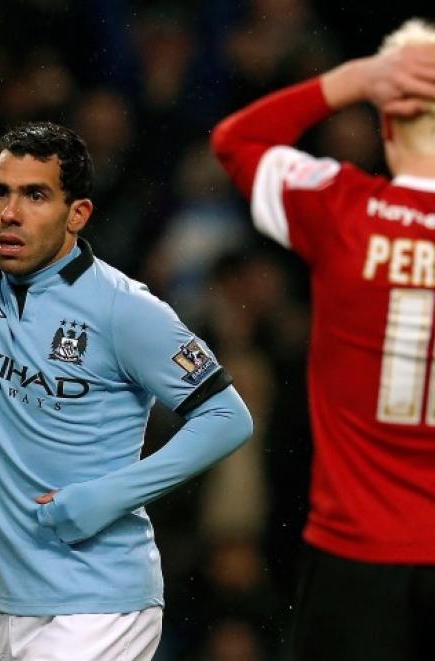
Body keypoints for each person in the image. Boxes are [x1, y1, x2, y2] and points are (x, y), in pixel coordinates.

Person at [0, 121, 253, 660]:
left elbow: (228, 417)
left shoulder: (124, 309)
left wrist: (106, 496)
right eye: (0, 192)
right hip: (5, 600)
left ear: (77, 214)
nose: (9, 213)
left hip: (101, 602)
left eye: (35, 195)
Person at [211, 17, 435, 661]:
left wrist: (353, 79)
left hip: (355, 558)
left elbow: (237, 138)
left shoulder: (341, 208)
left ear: (387, 121)